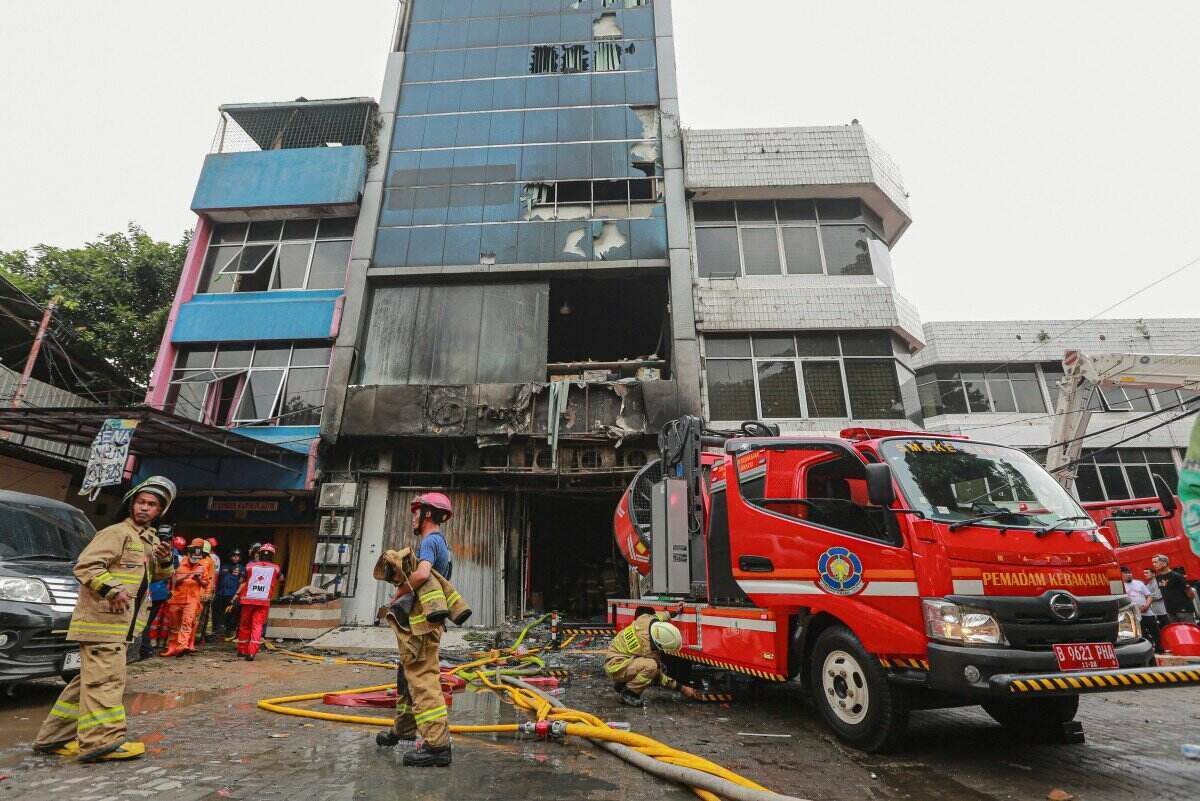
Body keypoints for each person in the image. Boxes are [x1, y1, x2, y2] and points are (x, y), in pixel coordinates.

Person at [32, 476, 176, 762]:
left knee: (87, 682)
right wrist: (111, 588)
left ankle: (52, 739)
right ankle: (101, 742)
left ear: (160, 511)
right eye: (141, 502)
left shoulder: (147, 540)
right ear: (131, 503)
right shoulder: (116, 533)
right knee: (107, 683)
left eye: (152, 505)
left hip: (119, 627)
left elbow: (157, 577)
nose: (145, 509)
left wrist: (164, 559)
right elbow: (86, 566)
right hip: (103, 625)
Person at [376, 493, 456, 767]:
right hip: (421, 626)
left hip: (423, 628)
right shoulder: (439, 543)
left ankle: (437, 746)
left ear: (428, 515)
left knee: (422, 681)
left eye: (416, 512)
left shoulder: (431, 541)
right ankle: (404, 729)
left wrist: (398, 593)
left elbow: (422, 574)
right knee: (406, 679)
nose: (413, 517)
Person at [604, 606, 697, 708]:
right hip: (615, 666)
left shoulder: (647, 619)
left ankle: (622, 683)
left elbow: (660, 616)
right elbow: (658, 677)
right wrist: (682, 688)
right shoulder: (646, 648)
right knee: (652, 666)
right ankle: (629, 693)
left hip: (616, 657)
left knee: (652, 666)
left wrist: (674, 612)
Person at [162, 540, 210, 657]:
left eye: (197, 557)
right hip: (177, 599)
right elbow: (172, 580)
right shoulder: (179, 564)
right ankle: (171, 648)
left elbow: (205, 583)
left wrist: (198, 579)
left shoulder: (202, 567)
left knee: (187, 623)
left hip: (192, 600)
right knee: (173, 625)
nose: (195, 559)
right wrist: (188, 575)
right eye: (193, 557)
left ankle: (182, 646)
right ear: (188, 555)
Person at [139, 535, 183, 660]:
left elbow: (172, 573)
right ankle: (147, 648)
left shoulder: (163, 553)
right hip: (159, 592)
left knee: (145, 622)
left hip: (153, 592)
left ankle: (146, 649)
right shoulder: (170, 553)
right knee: (148, 622)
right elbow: (172, 574)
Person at [236, 543, 281, 660]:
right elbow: (281, 579)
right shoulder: (276, 568)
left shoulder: (249, 566)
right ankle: (252, 652)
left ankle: (242, 650)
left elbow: (241, 580)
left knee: (245, 625)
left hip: (248, 600)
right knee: (258, 626)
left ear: (259, 554)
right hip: (263, 602)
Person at [1152, 554, 1198, 623]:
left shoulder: (1177, 576)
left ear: (1164, 563)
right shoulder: (1158, 577)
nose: (1154, 564)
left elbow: (1191, 594)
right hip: (1170, 611)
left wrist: (1183, 606)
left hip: (1183, 611)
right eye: (1153, 562)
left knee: (1189, 631)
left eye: (1156, 562)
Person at [1121, 565, 1158, 650]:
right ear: (1121, 575)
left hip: (1147, 612)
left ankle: (1160, 649)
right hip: (1134, 615)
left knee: (1155, 631)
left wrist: (1146, 606)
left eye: (1129, 572)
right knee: (1142, 634)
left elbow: (1149, 596)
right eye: (1126, 573)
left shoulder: (1139, 583)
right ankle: (1148, 649)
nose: (1129, 575)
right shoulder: (1120, 586)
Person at [215, 549, 245, 636]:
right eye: (234, 555)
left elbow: (242, 582)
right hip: (221, 593)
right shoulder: (224, 566)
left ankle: (229, 631)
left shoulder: (242, 569)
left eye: (238, 556)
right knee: (218, 612)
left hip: (232, 594)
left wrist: (237, 594)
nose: (235, 558)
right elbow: (219, 579)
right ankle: (217, 629)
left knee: (231, 613)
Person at [194, 540, 218, 646]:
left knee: (202, 617)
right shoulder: (193, 559)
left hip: (203, 594)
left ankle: (197, 638)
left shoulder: (209, 561)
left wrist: (208, 593)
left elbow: (211, 579)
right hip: (193, 593)